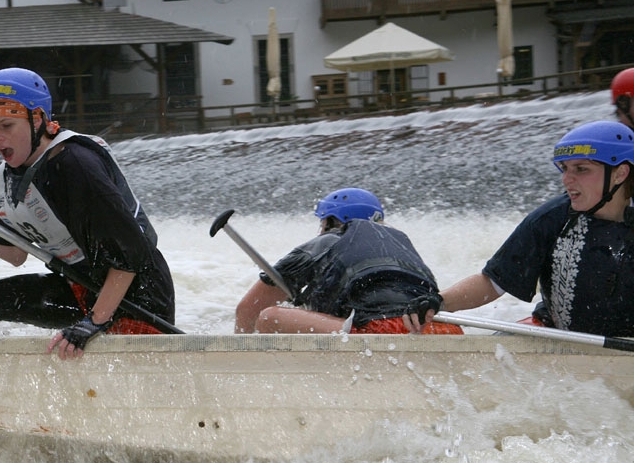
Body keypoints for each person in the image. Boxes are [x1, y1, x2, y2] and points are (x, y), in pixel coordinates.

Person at [0, 67, 175, 359]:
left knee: (96, 347)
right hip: (80, 288)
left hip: (135, 293)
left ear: (37, 118)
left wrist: (94, 322)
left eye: (7, 126)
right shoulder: (9, 174)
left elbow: (131, 255)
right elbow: (13, 254)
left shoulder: (76, 164)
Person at [404, 120, 634, 337]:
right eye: (564, 168)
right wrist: (439, 301)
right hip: (561, 337)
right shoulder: (550, 219)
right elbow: (493, 283)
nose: (566, 179)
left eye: (581, 169)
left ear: (620, 174)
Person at [234, 187, 462, 335]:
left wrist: (238, 345)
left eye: (323, 222)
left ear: (334, 221)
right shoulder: (400, 242)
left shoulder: (326, 242)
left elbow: (248, 309)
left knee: (268, 317)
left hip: (382, 329)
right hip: (441, 328)